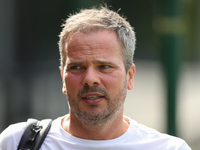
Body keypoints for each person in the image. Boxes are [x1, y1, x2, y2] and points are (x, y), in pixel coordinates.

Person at [0, 6, 191, 150]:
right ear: (62, 77)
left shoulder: (168, 148)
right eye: (76, 67)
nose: (90, 79)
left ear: (130, 76)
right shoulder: (17, 142)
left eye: (104, 67)